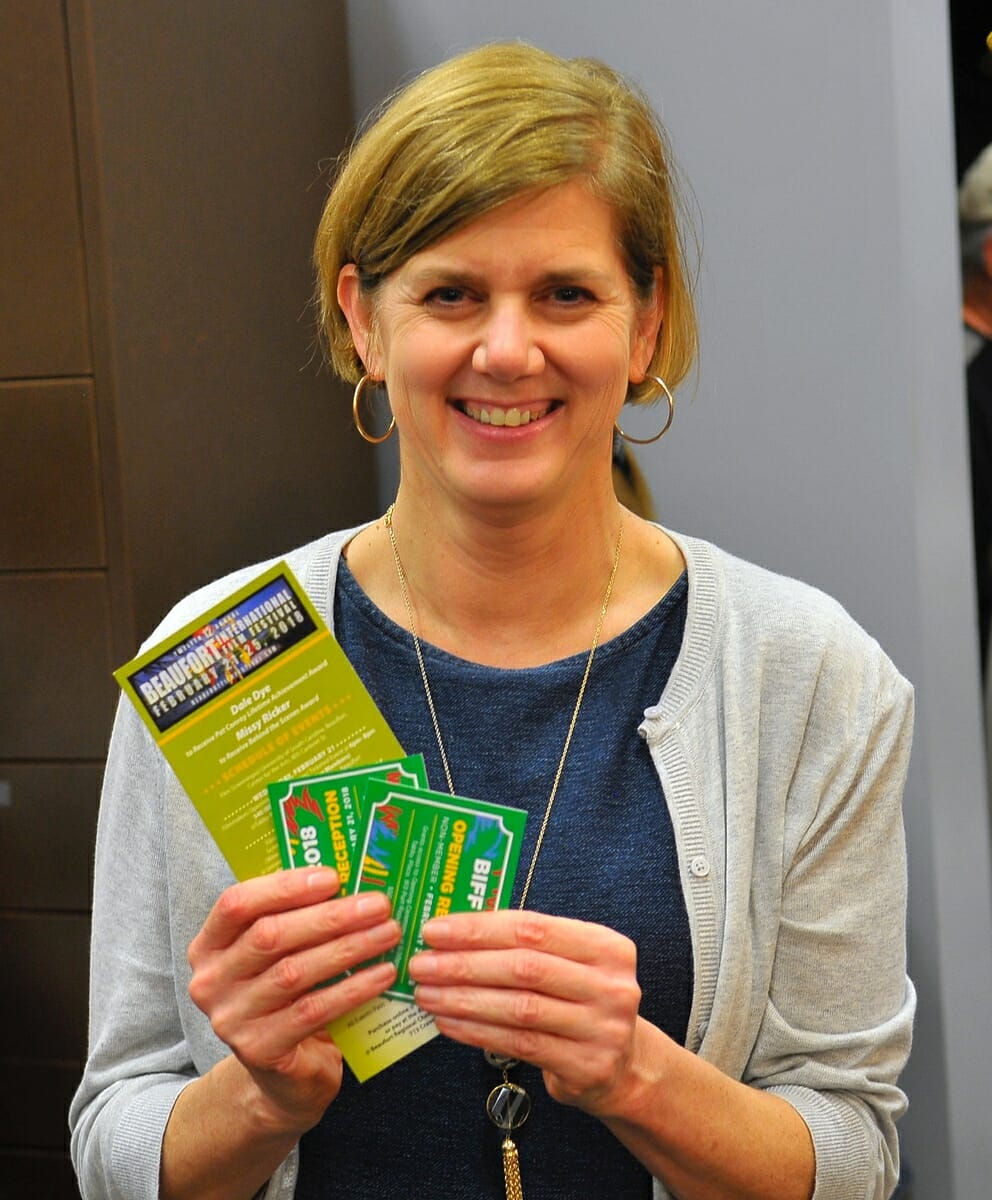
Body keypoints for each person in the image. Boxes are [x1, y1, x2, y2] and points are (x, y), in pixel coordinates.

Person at [70, 42, 914, 1200]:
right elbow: (113, 1131)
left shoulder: (808, 675)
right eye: (450, 294)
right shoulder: (220, 657)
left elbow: (854, 1154)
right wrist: (261, 1098)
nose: (506, 350)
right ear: (363, 321)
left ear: (646, 323)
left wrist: (633, 1075)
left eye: (564, 294)